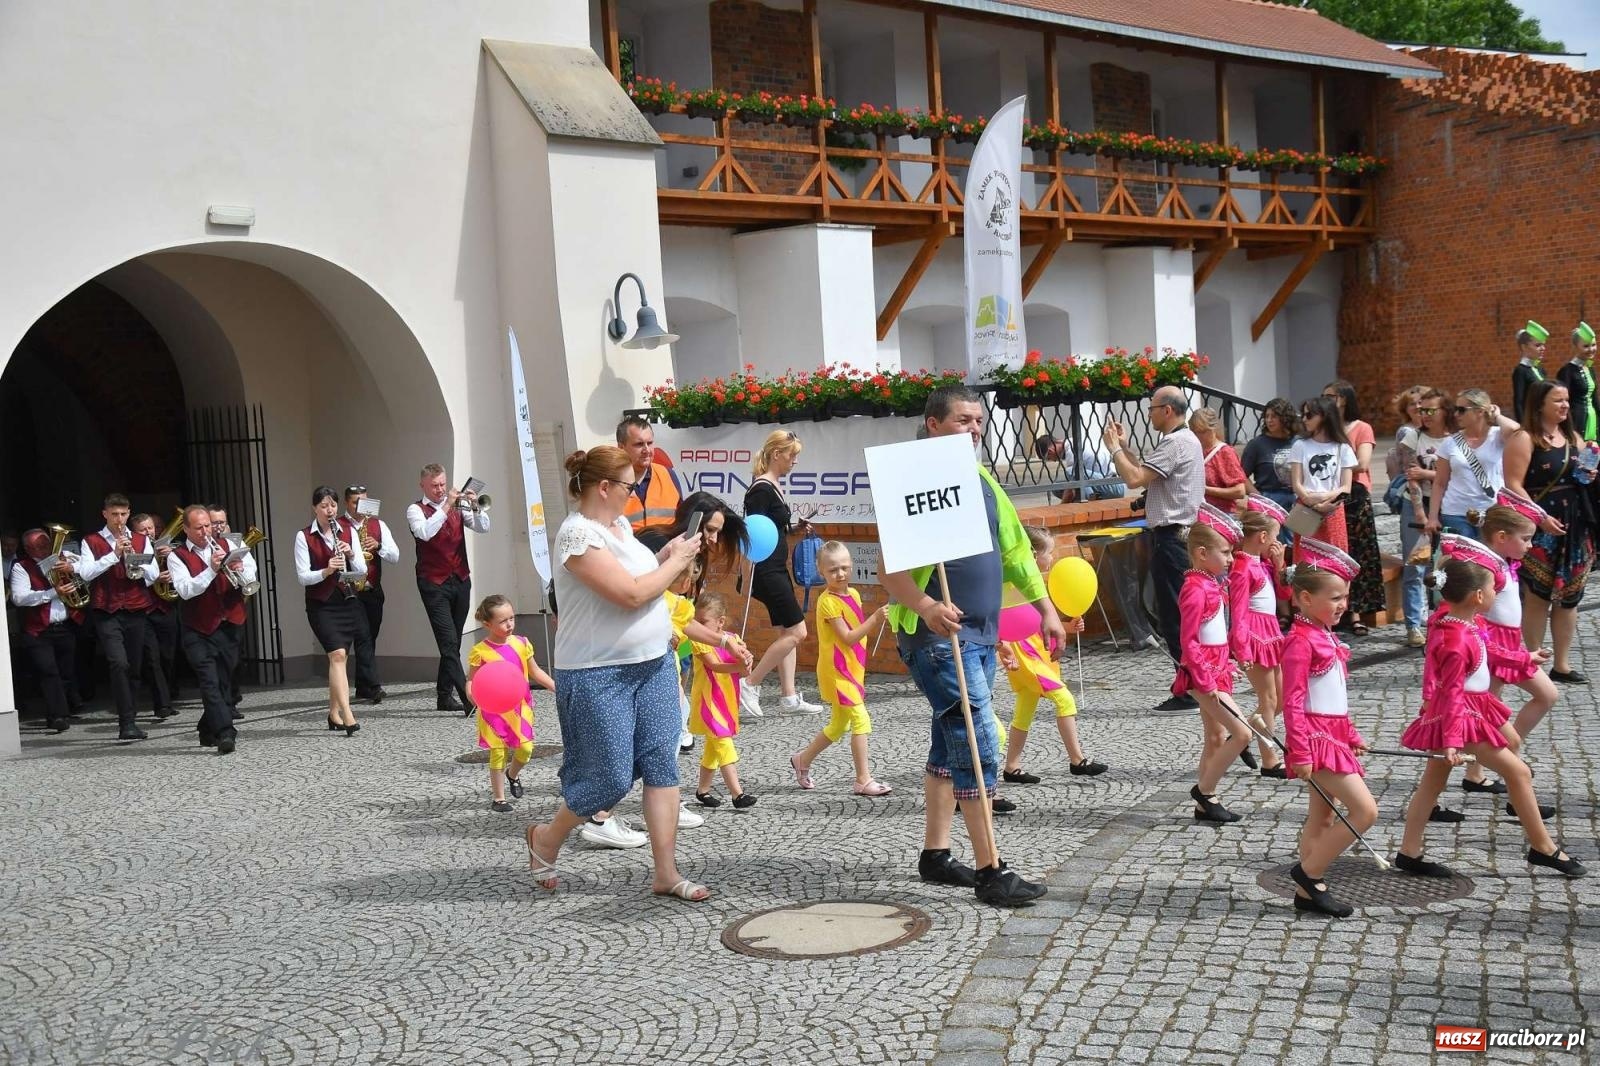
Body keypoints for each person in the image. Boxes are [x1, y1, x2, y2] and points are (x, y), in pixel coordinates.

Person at [882, 385, 1065, 908]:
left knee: (949, 743)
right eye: (964, 420)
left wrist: (1046, 607)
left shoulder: (984, 480)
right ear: (933, 424)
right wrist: (926, 607)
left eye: (979, 421)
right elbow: (893, 574)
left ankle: (935, 856)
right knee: (976, 745)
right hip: (939, 638)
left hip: (982, 635)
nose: (975, 429)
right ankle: (991, 871)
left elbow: (1015, 551)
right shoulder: (913, 485)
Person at [523, 446, 706, 900]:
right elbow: (630, 594)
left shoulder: (618, 526)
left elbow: (641, 572)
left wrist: (667, 553)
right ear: (604, 488)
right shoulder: (576, 536)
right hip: (596, 672)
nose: (634, 492)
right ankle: (547, 836)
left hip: (653, 665)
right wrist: (677, 563)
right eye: (629, 485)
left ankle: (666, 872)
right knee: (608, 778)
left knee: (663, 765)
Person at [1393, 552, 1584, 879]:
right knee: (1519, 773)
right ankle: (1543, 847)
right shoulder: (1455, 639)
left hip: (1474, 708)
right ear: (1478, 596)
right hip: (1462, 716)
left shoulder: (1467, 624)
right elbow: (1452, 693)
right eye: (1494, 589)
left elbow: (1488, 651)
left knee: (1438, 779)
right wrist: (1453, 741)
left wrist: (1525, 657)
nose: (1498, 593)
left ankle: (1409, 852)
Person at [1278, 549, 1377, 917]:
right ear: (1305, 598)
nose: (1343, 605)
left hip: (1332, 737)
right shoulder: (1301, 641)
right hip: (1316, 742)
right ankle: (1309, 874)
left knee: (1322, 817)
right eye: (1335, 597)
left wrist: (1350, 734)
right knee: (1365, 811)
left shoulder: (1324, 635)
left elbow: (1335, 697)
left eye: (1345, 597)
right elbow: (1294, 702)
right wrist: (1300, 752)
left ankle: (1308, 894)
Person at [1452, 500, 1560, 806]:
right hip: (1495, 645)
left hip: (1510, 643)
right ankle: (1499, 767)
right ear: (1501, 537)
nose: (1530, 545)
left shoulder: (1502, 563)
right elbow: (1477, 614)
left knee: (1523, 702)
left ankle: (1479, 770)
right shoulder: (1487, 568)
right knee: (1500, 709)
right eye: (1525, 539)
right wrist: (1496, 648)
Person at [1104, 385, 1205, 711]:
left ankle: (1188, 689)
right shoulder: (1183, 440)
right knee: (1175, 612)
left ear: (1167, 410)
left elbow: (1133, 479)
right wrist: (1124, 446)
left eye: (1152, 408)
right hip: (1179, 537)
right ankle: (1190, 684)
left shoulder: (1175, 442)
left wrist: (1113, 450)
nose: (1149, 414)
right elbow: (1147, 475)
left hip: (1172, 538)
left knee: (1174, 616)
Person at [1503, 380, 1593, 684]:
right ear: (1540, 404)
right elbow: (1512, 484)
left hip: (1575, 526)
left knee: (1570, 597)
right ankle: (1533, 658)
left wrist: (1590, 473)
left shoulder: (1572, 438)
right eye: (1558, 401)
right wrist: (1539, 517)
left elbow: (1582, 476)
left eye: (1567, 400)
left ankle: (1562, 664)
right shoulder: (1524, 438)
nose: (1565, 406)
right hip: (1539, 528)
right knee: (1538, 595)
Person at [788, 542, 892, 796]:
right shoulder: (827, 603)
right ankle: (863, 779)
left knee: (838, 725)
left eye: (845, 568)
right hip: (838, 672)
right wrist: (875, 619)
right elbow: (847, 637)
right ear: (821, 571)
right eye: (833, 570)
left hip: (852, 670)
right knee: (860, 720)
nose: (841, 574)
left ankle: (802, 759)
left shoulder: (853, 595)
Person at [995, 527, 1098, 783]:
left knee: (1025, 709)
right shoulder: (1013, 582)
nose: (1052, 558)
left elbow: (1037, 621)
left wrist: (1067, 627)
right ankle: (1077, 760)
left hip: (1035, 649)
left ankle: (1012, 767)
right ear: (1032, 554)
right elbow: (1009, 619)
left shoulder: (1032, 583)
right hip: (1024, 652)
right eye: (1049, 553)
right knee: (1064, 699)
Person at [1176, 508, 1251, 824]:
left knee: (1217, 738)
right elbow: (1189, 641)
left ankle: (1207, 804)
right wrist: (1206, 680)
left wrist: (1228, 662)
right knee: (1243, 733)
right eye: (1225, 552)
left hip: (1217, 673)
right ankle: (1204, 790)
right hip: (1203, 677)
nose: (1231, 558)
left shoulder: (1210, 584)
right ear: (1202, 553)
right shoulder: (1195, 589)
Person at [741, 430, 823, 716]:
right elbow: (750, 531)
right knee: (798, 631)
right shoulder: (761, 489)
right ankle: (750, 683)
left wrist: (795, 528)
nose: (795, 461)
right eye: (792, 455)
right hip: (766, 569)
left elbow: (772, 529)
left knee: (786, 630)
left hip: (775, 565)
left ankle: (788, 697)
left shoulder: (770, 486)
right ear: (777, 454)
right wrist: (745, 575)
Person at [73, 493, 160, 741]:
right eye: (114, 515)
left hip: (136, 608)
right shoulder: (91, 541)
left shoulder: (141, 539)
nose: (119, 519)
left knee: (133, 666)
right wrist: (113, 554)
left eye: (123, 514)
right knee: (118, 663)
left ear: (129, 513)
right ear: (105, 514)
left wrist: (135, 559)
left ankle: (130, 721)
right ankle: (125, 722)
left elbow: (153, 575)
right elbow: (86, 573)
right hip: (106, 610)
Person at [167, 505, 252, 754]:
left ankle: (206, 729)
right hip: (198, 628)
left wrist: (241, 570)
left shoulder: (229, 545)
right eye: (199, 528)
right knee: (209, 681)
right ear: (185, 529)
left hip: (229, 623)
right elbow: (185, 590)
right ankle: (226, 732)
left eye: (208, 526)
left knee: (224, 681)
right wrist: (211, 571)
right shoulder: (177, 556)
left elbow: (251, 573)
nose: (206, 531)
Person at [407, 463, 488, 714]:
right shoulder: (415, 510)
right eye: (434, 486)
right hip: (433, 582)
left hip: (460, 578)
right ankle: (468, 698)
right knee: (447, 640)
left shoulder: (455, 506)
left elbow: (483, 527)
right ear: (423, 485)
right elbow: (425, 533)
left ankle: (444, 695)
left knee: (453, 638)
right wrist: (445, 506)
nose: (440, 489)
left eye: (442, 484)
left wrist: (474, 506)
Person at [467, 595, 555, 813]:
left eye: (512, 618)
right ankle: (499, 798)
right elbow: (472, 680)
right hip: (493, 711)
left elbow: (535, 671)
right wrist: (474, 697)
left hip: (520, 708)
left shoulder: (522, 643)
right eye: (503, 621)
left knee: (526, 748)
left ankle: (512, 774)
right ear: (487, 624)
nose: (509, 625)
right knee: (498, 752)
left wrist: (556, 687)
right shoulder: (481, 651)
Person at [294, 487, 368, 736]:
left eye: (333, 505)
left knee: (341, 657)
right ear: (315, 508)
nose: (330, 510)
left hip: (346, 599)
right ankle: (348, 715)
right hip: (321, 603)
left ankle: (333, 714)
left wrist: (349, 554)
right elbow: (303, 577)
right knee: (336, 655)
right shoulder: (303, 536)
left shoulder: (348, 531)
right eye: (324, 506)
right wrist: (325, 571)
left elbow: (361, 569)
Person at [1230, 497, 1288, 776]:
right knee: (1268, 699)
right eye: (1275, 538)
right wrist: (1242, 650)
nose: (1277, 543)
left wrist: (1279, 565)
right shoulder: (1242, 568)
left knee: (1281, 698)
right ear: (1263, 536)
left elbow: (1286, 596)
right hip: (1256, 636)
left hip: (1271, 632)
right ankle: (1270, 760)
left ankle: (1245, 730)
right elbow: (1238, 613)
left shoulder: (1261, 564)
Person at [1321, 381, 1383, 632]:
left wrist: (1333, 463)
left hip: (1355, 494)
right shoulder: (1325, 428)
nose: (1325, 400)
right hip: (1328, 493)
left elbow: (1363, 462)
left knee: (1356, 552)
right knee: (1332, 553)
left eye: (1329, 396)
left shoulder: (1362, 428)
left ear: (1344, 399)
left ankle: (1355, 611)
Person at [9, 529, 85, 733]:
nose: (45, 549)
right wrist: (54, 592)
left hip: (66, 626)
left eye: (47, 543)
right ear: (28, 549)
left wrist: (72, 567)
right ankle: (57, 716)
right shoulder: (21, 567)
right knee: (48, 671)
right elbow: (19, 597)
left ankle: (65, 707)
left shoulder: (61, 558)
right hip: (39, 630)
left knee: (66, 671)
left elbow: (86, 568)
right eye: (40, 546)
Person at [688, 592, 756, 808]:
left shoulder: (734, 640)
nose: (697, 626)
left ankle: (703, 790)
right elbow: (714, 666)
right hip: (709, 702)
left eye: (703, 622)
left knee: (713, 748)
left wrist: (746, 660)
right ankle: (738, 794)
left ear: (720, 622)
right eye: (696, 621)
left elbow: (743, 664)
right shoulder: (700, 643)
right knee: (724, 743)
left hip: (726, 700)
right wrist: (738, 667)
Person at [1427, 389, 1518, 540]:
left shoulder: (1498, 436)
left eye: (1461, 410)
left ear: (1480, 411)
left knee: (1489, 561)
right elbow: (1439, 483)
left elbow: (1516, 430)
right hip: (1456, 513)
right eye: (1455, 409)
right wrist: (1432, 517)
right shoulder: (1450, 442)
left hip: (1492, 511)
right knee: (1461, 563)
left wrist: (1497, 415)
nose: (1456, 414)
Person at [341, 485, 400, 704]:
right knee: (363, 636)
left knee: (370, 637)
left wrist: (379, 545)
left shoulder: (378, 524)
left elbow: (395, 556)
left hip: (373, 589)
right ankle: (374, 686)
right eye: (356, 502)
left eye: (365, 501)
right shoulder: (339, 525)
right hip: (350, 591)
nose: (361, 506)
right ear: (347, 503)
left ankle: (363, 686)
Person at [1393, 386, 1441, 647]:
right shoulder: (1409, 435)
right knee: (1416, 565)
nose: (1421, 410)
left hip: (1446, 504)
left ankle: (1443, 620)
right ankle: (1413, 625)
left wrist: (1431, 475)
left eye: (1425, 405)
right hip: (1418, 505)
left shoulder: (1451, 437)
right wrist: (1421, 515)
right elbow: (1412, 477)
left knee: (1442, 566)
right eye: (1415, 405)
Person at [636, 491, 747, 602]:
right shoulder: (652, 540)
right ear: (691, 522)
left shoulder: (698, 552)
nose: (715, 539)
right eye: (710, 529)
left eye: (718, 532)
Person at [1289, 396, 1355, 553]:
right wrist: (1312, 502)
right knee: (1305, 560)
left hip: (1333, 508)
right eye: (1303, 415)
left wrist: (1321, 499)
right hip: (1306, 507)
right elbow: (1296, 483)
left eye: (1309, 415)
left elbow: (1346, 487)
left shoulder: (1343, 448)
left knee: (1334, 558)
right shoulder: (1300, 445)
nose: (1304, 419)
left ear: (1324, 416)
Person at [130, 513, 178, 717]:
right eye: (144, 530)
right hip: (145, 608)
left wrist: (172, 557)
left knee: (168, 655)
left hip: (166, 607)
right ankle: (162, 704)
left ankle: (169, 693)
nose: (150, 532)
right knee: (152, 658)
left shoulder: (168, 548)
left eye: (151, 528)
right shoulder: (134, 549)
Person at [207, 505, 250, 718]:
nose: (218, 527)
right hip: (209, 613)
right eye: (214, 523)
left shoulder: (235, 542)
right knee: (215, 663)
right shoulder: (200, 546)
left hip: (233, 609)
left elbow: (251, 568)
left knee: (233, 660)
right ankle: (222, 706)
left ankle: (231, 701)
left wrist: (242, 569)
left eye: (222, 522)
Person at [1241, 398, 1299, 544]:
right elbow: (1241, 475)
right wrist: (1259, 497)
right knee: (1270, 545)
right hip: (1268, 499)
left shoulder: (1298, 443)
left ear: (1285, 418)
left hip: (1295, 500)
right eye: (1267, 416)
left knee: (1294, 546)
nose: (1269, 420)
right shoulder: (1257, 444)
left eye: (1274, 416)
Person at [616, 415, 683, 534]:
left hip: (668, 550)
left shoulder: (667, 474)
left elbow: (683, 519)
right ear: (621, 448)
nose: (647, 450)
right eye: (639, 444)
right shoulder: (610, 482)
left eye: (650, 443)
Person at [1031, 434, 1125, 503]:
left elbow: (1071, 490)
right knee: (1057, 487)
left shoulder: (1072, 451)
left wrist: (1061, 508)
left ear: (1050, 451)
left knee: (1073, 473)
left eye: (1049, 458)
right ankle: (1090, 499)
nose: (1054, 461)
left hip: (1113, 486)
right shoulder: (1075, 440)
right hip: (1111, 483)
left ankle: (1088, 503)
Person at [1190, 407, 1247, 509]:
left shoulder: (1225, 452)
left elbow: (1239, 491)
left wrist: (1204, 489)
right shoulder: (1193, 450)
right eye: (1194, 432)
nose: (1198, 436)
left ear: (1213, 429)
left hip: (1219, 516)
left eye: (1202, 431)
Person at [1557, 322, 1597, 441]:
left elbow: (1595, 398)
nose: (1591, 349)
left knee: (1593, 457)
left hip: (1593, 421)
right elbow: (1562, 401)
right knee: (1579, 457)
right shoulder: (1567, 371)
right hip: (1576, 422)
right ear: (1574, 347)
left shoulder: (1590, 368)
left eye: (1593, 345)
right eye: (1586, 346)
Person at [1510, 320, 1549, 424]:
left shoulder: (1540, 369)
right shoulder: (1521, 371)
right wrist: (1523, 425)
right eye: (1538, 345)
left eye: (1543, 345)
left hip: (1545, 418)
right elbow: (1518, 401)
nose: (1542, 348)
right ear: (1524, 347)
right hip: (1531, 420)